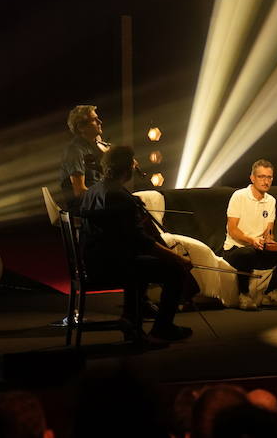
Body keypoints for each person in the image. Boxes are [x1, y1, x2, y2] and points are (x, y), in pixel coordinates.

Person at [79, 145, 195, 342]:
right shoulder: (119, 196)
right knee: (174, 271)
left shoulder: (94, 190)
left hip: (93, 261)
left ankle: (131, 318)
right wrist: (177, 258)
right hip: (111, 265)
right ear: (127, 169)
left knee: (140, 263)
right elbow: (141, 241)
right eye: (133, 164)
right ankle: (162, 328)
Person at [223, 159, 277, 309]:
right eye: (261, 177)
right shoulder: (239, 196)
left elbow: (268, 231)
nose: (266, 181)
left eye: (269, 177)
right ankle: (244, 296)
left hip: (259, 248)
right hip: (236, 249)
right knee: (247, 253)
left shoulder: (270, 200)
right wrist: (251, 240)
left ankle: (271, 294)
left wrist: (270, 241)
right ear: (252, 178)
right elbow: (232, 229)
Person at [59, 104, 109, 208]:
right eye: (94, 120)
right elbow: (80, 192)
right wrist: (107, 197)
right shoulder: (75, 150)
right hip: (85, 206)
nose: (100, 122)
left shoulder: (94, 146)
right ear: (81, 127)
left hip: (97, 201)